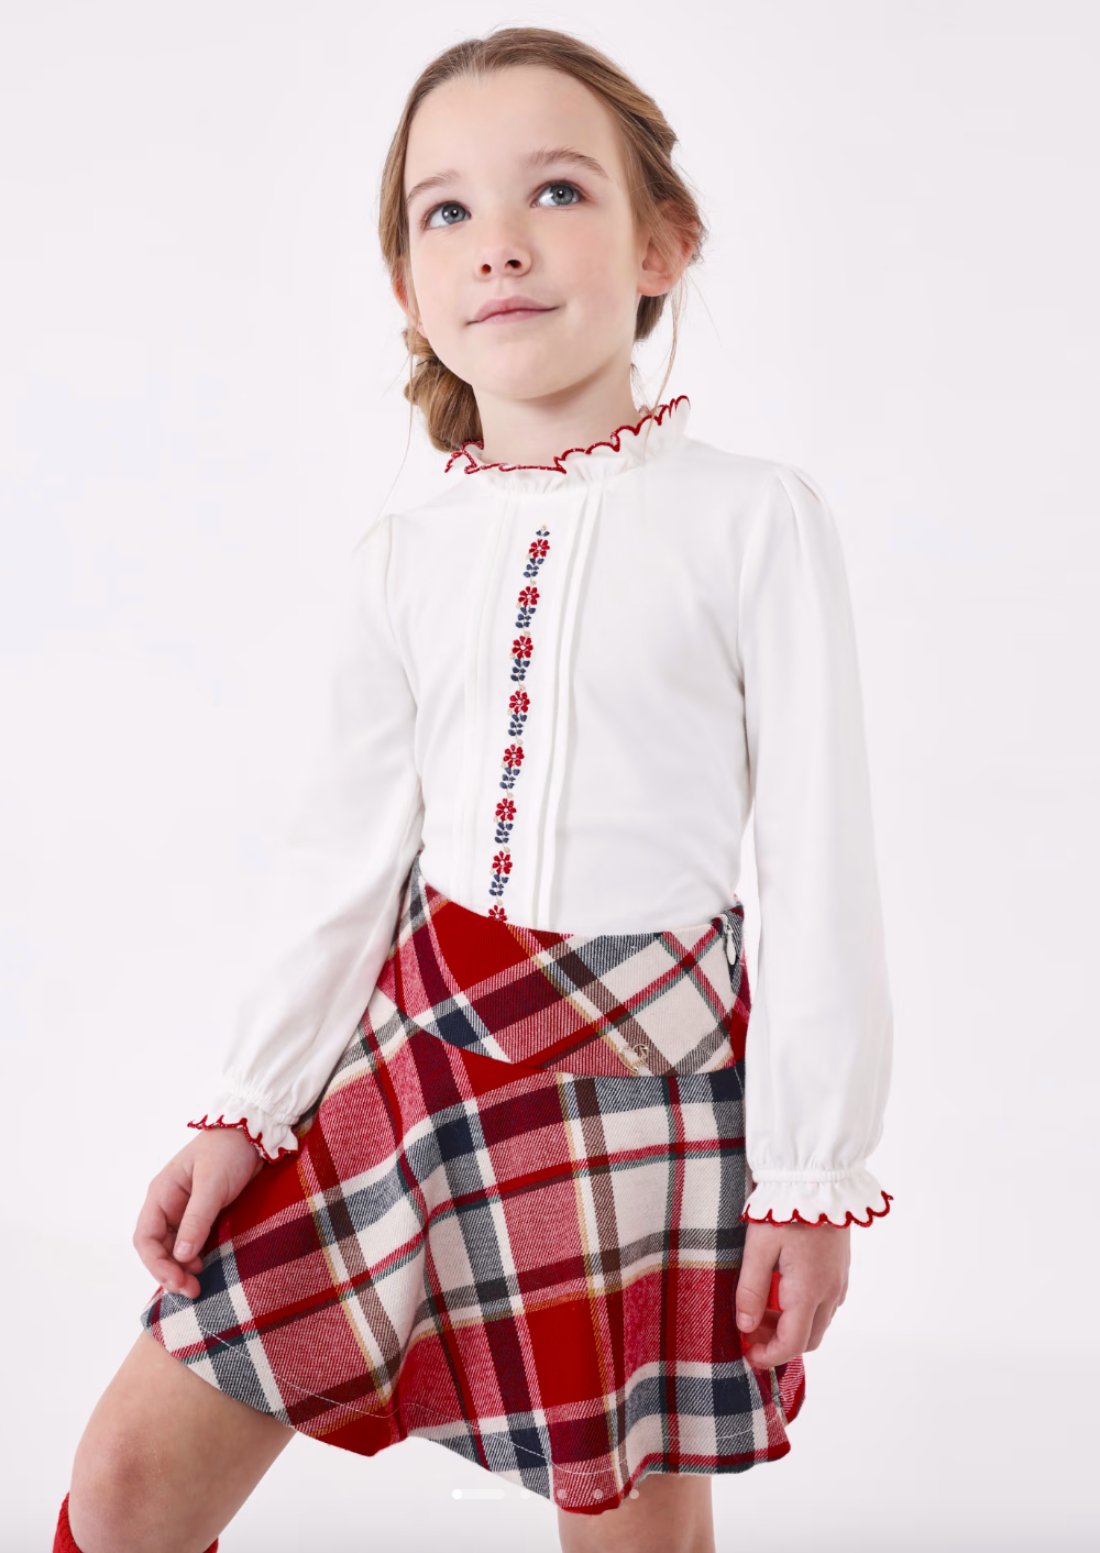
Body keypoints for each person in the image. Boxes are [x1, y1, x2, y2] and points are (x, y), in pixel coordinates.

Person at [56, 24, 895, 1553]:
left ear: (663, 243)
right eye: (445, 211)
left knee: (629, 1538)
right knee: (124, 1484)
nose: (498, 242)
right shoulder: (401, 557)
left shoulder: (755, 522)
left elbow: (818, 862)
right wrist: (248, 1106)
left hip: (641, 1090)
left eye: (556, 192)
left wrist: (807, 1176)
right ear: (407, 288)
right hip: (414, 1058)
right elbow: (340, 866)